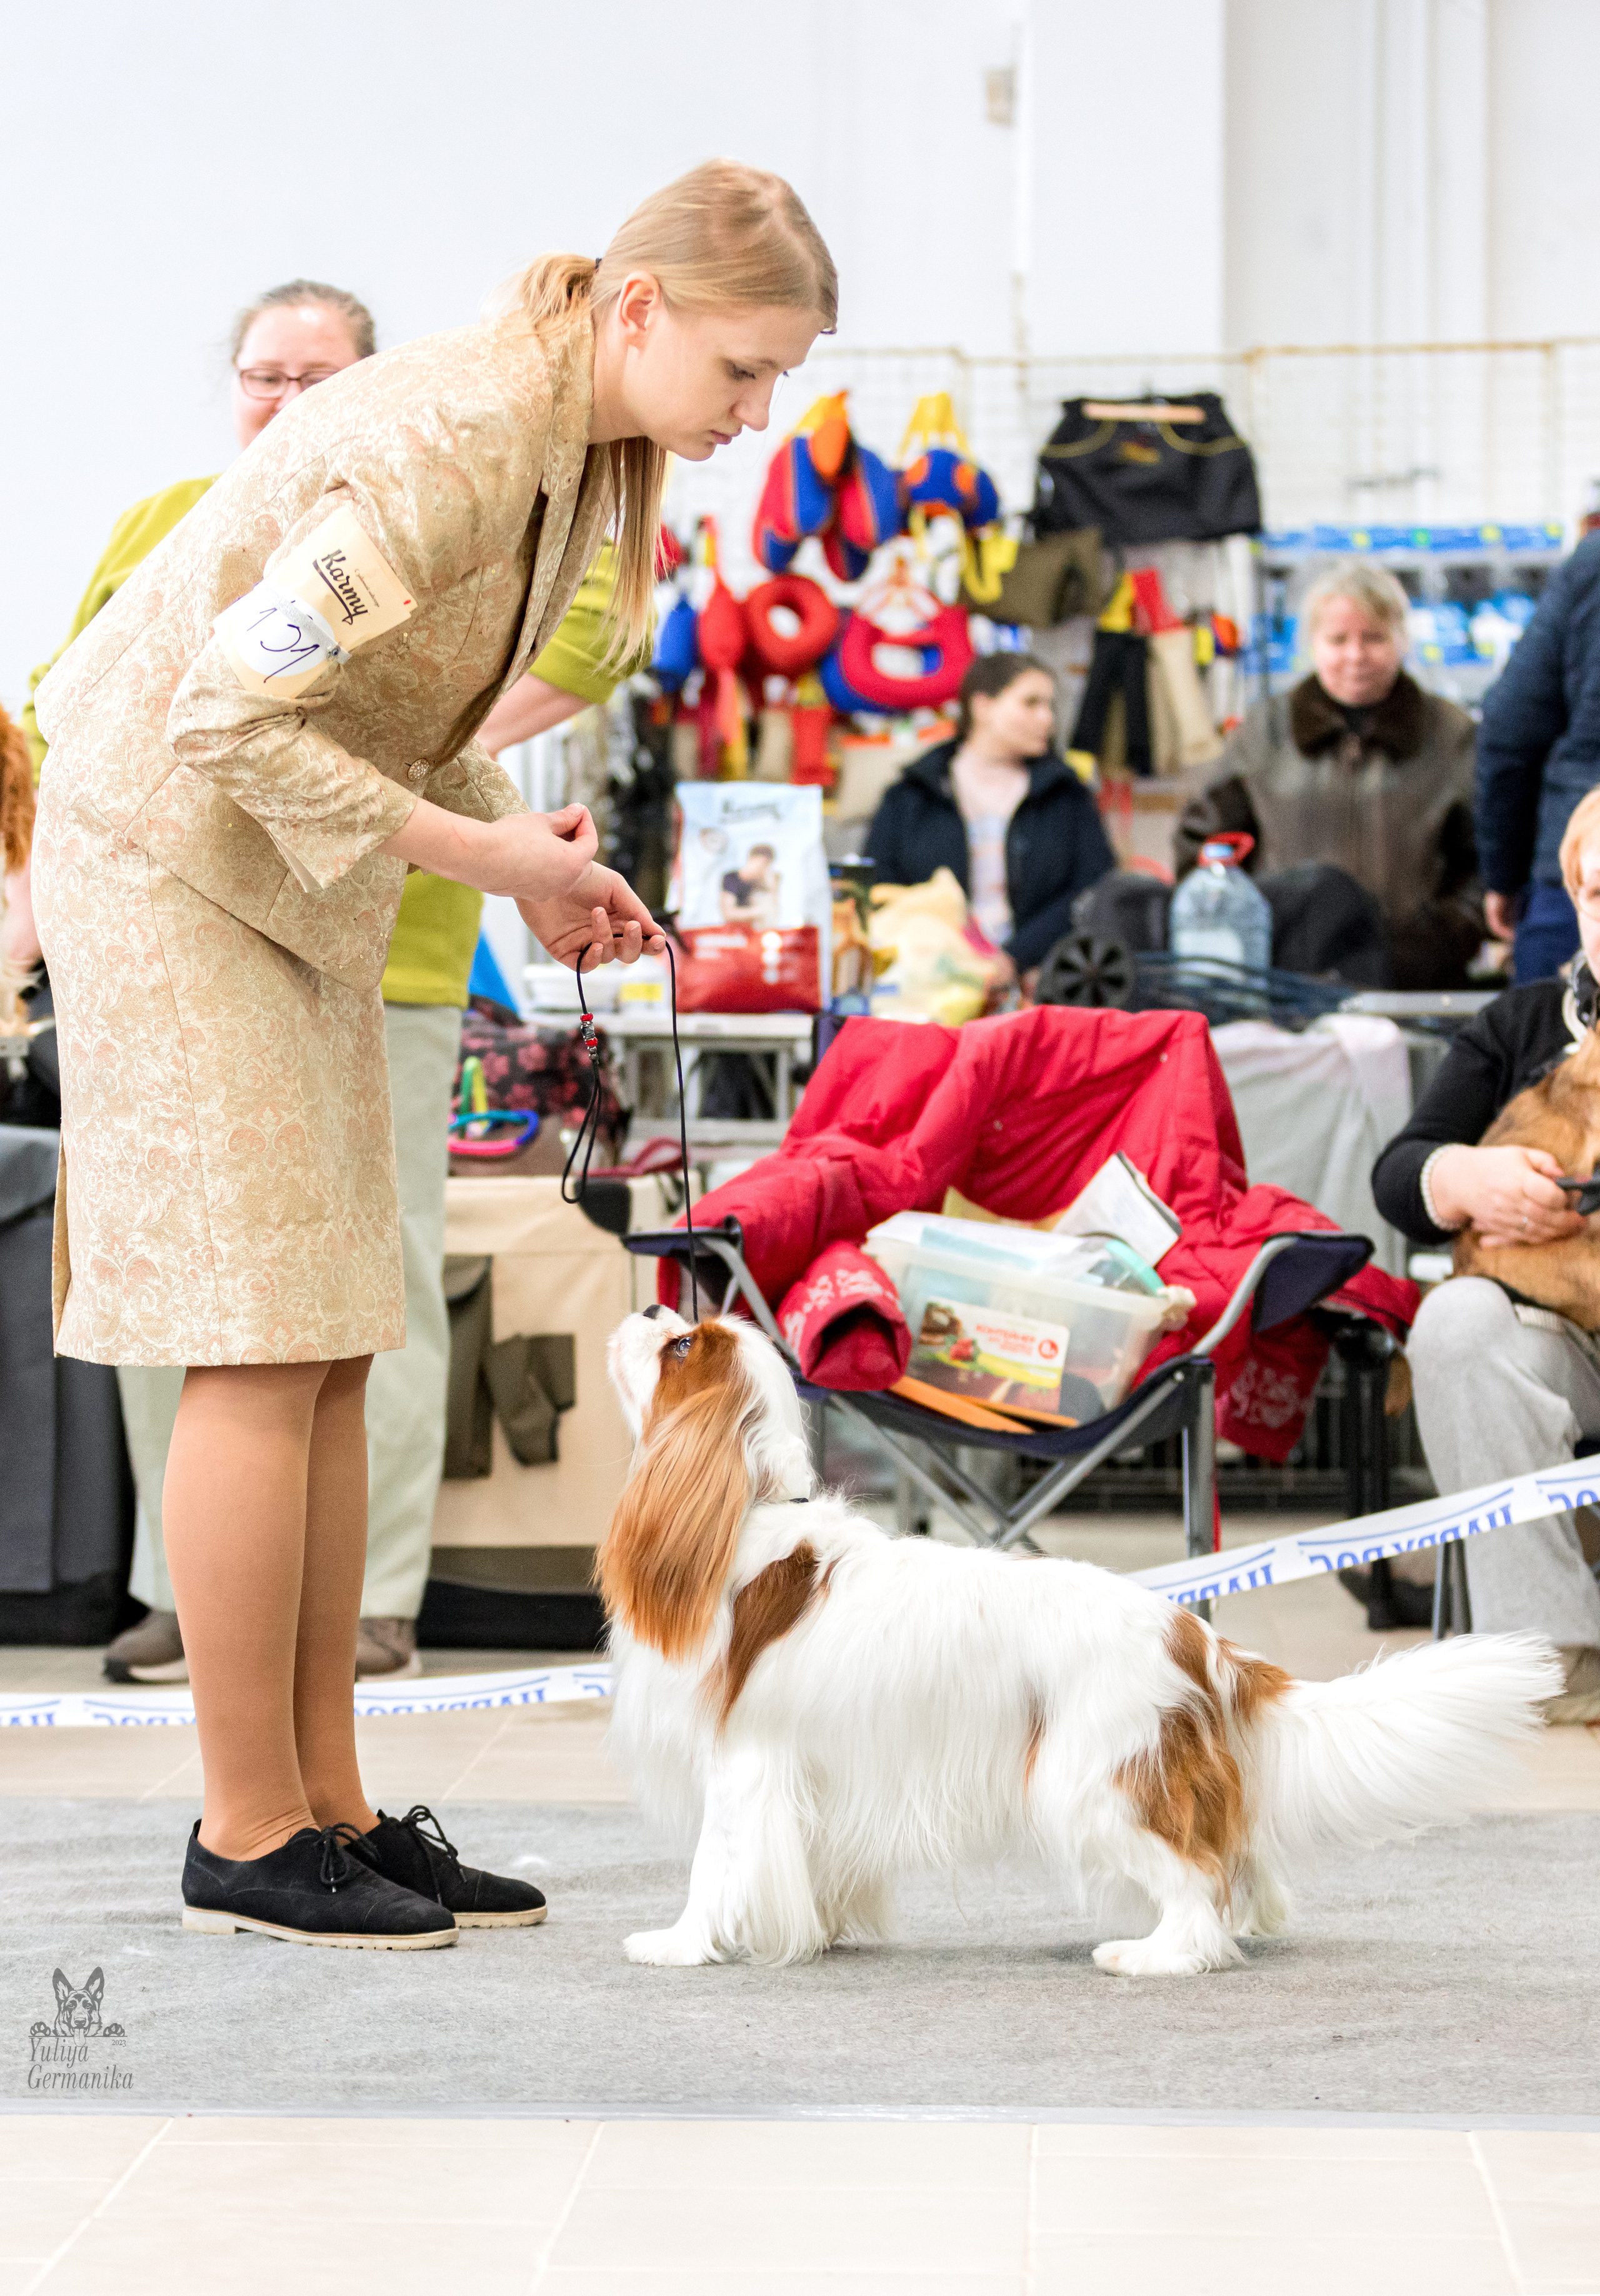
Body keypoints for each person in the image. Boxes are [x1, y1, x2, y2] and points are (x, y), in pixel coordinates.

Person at [31, 160, 836, 1949]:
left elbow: (392, 709)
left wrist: (525, 861)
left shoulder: (565, 441)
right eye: (742, 369)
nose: (757, 413)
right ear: (642, 311)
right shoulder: (453, 434)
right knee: (260, 1333)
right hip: (167, 860)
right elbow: (224, 709)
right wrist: (494, 854)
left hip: (268, 872)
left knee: (333, 1333)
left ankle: (327, 1805)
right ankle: (246, 1825)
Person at [20, 279, 634, 1689]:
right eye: (265, 375)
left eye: (320, 376)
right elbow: (79, 700)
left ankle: (367, 1602)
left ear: (372, 385)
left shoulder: (460, 486)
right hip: (193, 912)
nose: (291, 402)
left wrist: (470, 818)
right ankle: (193, 1594)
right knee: (199, 1300)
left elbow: (555, 657)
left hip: (387, 933)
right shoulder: (181, 514)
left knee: (356, 1299)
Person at [1371, 784, 1600, 1722]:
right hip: (1564, 1345)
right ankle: (1556, 1657)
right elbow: (1399, 1175)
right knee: (1456, 1320)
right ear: (1575, 899)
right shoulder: (1523, 1023)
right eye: (1599, 892)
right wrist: (1466, 1176)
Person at [1175, 564, 1482, 989]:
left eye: (1374, 638)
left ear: (1402, 640)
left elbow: (1485, 859)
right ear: (1312, 644)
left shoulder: (1450, 735)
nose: (1356, 656)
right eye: (1338, 640)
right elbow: (1203, 844)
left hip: (1418, 985)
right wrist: (1248, 937)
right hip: (1287, 984)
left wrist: (1441, 941)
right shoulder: (1264, 732)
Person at [865, 653, 1116, 992]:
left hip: (1043, 984)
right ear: (982, 707)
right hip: (930, 984)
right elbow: (880, 890)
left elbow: (1093, 887)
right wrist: (949, 955)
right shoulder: (911, 795)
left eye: (1050, 706)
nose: (1047, 719)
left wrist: (1017, 958)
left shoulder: (1067, 795)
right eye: (1031, 703)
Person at [1475, 529, 1600, 984]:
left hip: (1582, 877)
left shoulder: (1592, 564)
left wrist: (1505, 876)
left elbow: (1510, 729)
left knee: (1551, 1026)